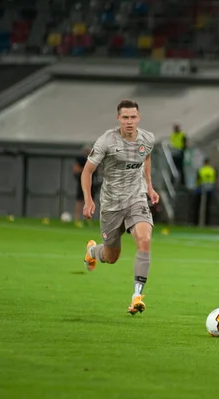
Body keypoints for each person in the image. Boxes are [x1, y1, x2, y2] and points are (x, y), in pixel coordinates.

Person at [80, 99, 160, 315]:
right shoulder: (106, 141)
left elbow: (147, 158)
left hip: (136, 199)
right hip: (112, 205)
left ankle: (137, 297)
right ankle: (92, 251)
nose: (129, 121)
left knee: (144, 240)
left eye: (133, 117)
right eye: (125, 117)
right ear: (118, 119)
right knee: (111, 256)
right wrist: (88, 200)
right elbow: (87, 171)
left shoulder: (148, 139)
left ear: (139, 118)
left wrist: (150, 187)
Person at [72, 145, 97, 228]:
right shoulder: (80, 160)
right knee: (79, 201)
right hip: (82, 183)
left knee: (90, 201)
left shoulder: (93, 160)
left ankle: (88, 219)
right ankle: (77, 219)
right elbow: (76, 169)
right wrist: (86, 171)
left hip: (92, 183)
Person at [194, 158, 217, 226]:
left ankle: (196, 221)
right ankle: (207, 222)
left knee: (198, 206)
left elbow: (198, 179)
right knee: (207, 206)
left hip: (201, 190)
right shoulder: (212, 170)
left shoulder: (201, 170)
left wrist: (197, 187)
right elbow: (215, 179)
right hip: (210, 190)